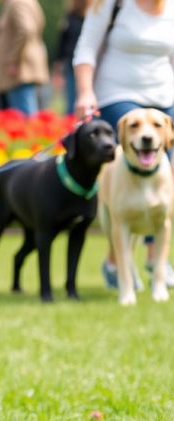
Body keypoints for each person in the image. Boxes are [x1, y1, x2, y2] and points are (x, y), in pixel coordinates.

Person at [74, 0, 174, 288]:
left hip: (163, 97)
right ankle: (116, 258)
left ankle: (156, 258)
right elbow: (86, 48)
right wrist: (84, 92)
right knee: (130, 170)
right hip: (117, 94)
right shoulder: (111, 3)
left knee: (164, 180)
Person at [0, 0, 49, 116]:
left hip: (20, 70)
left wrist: (13, 61)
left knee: (24, 116)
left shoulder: (18, 3)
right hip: (22, 68)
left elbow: (26, 30)